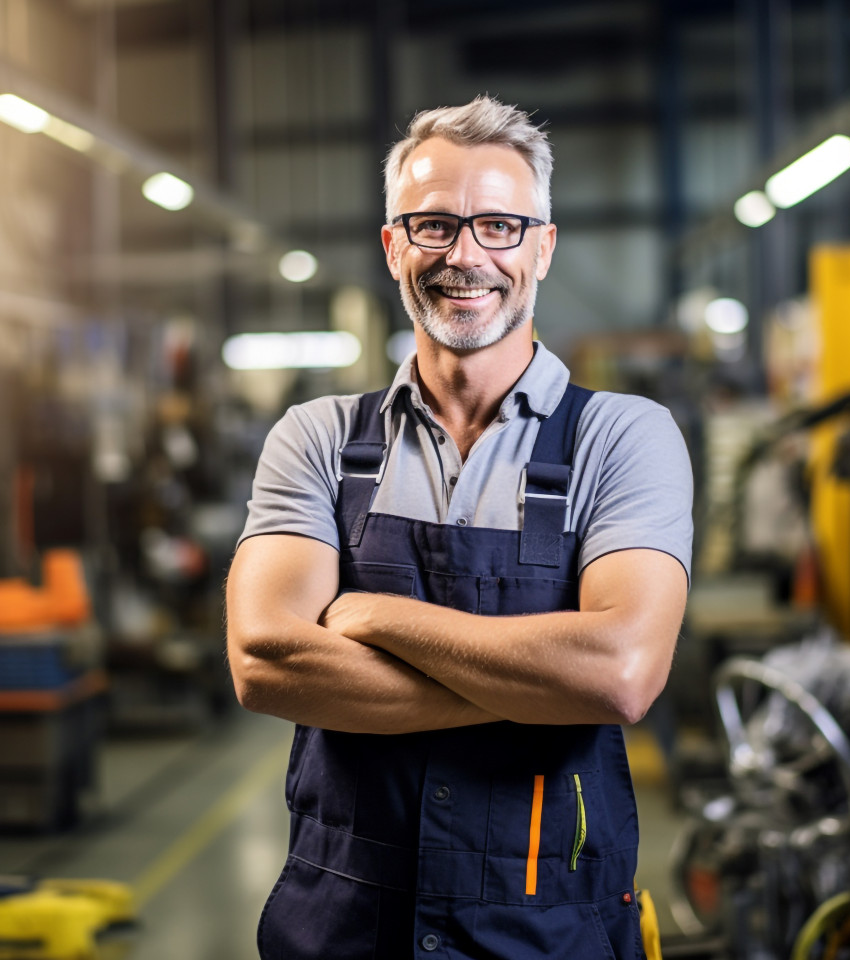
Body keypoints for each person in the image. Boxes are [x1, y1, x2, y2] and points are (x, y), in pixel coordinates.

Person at [226, 95, 693, 960]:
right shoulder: (320, 437)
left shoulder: (623, 436)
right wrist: (536, 690)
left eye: (500, 226)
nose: (466, 255)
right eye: (434, 225)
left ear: (543, 247)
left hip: (549, 930)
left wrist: (374, 619)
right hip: (343, 929)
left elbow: (622, 673)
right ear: (395, 245)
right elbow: (264, 660)